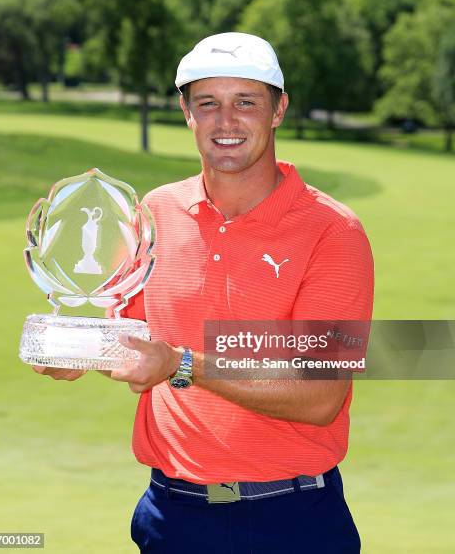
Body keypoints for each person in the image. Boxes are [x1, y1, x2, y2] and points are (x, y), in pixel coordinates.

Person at [34, 32, 374, 553]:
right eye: (208, 103)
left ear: (278, 109)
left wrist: (180, 363)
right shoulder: (155, 212)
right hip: (170, 516)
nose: (227, 122)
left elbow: (320, 394)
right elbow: (132, 342)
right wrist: (76, 349)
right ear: (186, 112)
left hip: (291, 521)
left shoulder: (333, 231)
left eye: (246, 102)